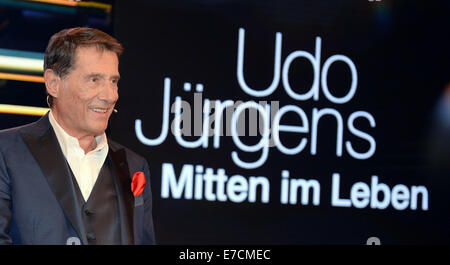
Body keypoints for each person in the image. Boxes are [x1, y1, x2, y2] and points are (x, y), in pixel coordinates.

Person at [0, 27, 155, 244]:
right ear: (53, 83)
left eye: (113, 81)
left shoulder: (134, 166)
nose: (110, 95)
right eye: (94, 80)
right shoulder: (6, 152)